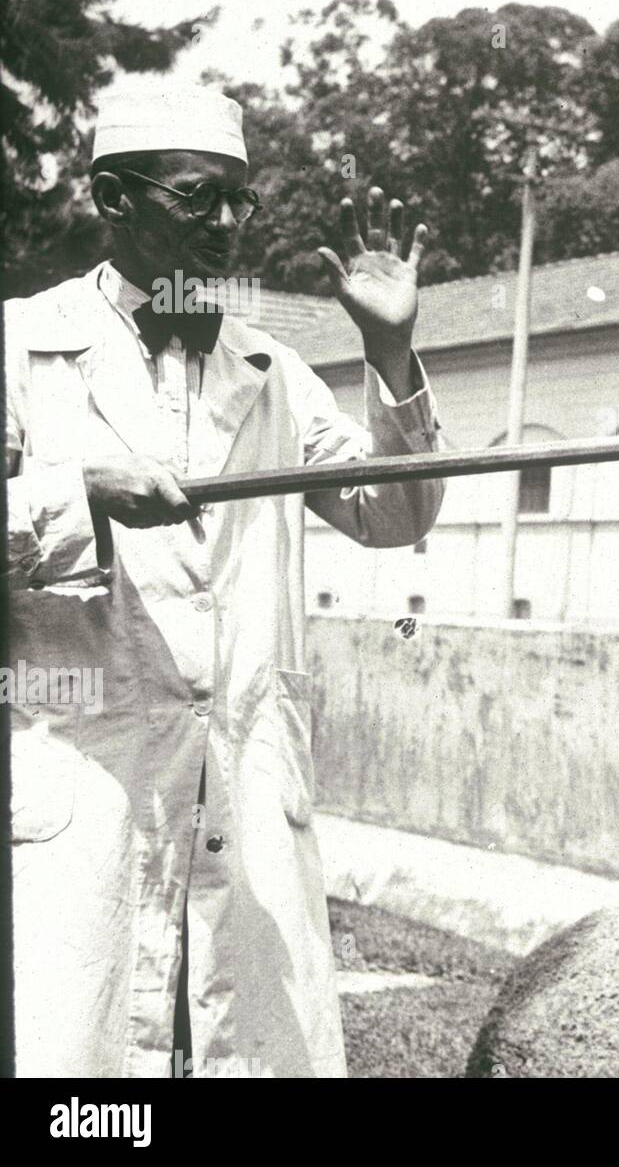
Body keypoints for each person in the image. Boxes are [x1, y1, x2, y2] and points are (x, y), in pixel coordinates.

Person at [5, 83, 444, 1077]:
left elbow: (395, 514)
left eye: (239, 201)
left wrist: (391, 350)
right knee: (83, 1059)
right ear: (115, 198)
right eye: (199, 197)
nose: (228, 225)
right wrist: (80, 495)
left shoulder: (274, 370)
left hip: (243, 803)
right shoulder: (19, 348)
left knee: (237, 1051)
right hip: (85, 804)